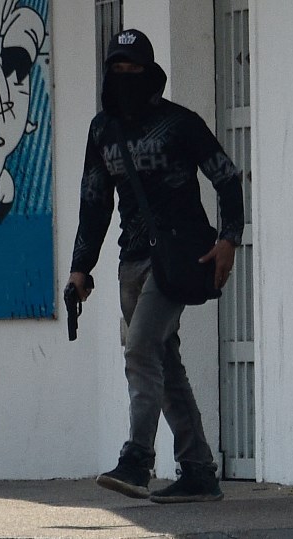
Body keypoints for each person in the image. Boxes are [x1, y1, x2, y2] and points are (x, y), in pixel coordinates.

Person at [67, 29, 244, 504]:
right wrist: (80, 268)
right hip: (132, 262)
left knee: (140, 349)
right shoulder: (102, 130)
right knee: (165, 361)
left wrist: (230, 239)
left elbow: (227, 178)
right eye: (117, 69)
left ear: (152, 75)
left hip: (180, 257)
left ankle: (137, 460)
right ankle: (198, 469)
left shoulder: (180, 123)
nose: (125, 78)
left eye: (134, 70)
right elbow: (94, 201)